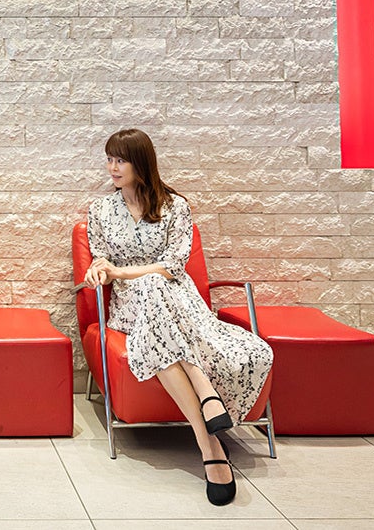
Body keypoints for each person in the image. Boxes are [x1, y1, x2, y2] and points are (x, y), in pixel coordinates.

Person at [83, 128, 273, 507]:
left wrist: (122, 271)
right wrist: (98, 269)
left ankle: (209, 444)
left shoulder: (175, 207)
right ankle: (208, 421)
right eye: (109, 159)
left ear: (141, 163)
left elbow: (172, 267)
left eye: (121, 160)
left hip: (178, 299)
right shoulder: (101, 209)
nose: (113, 167)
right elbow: (100, 255)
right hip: (130, 305)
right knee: (151, 288)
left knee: (158, 294)